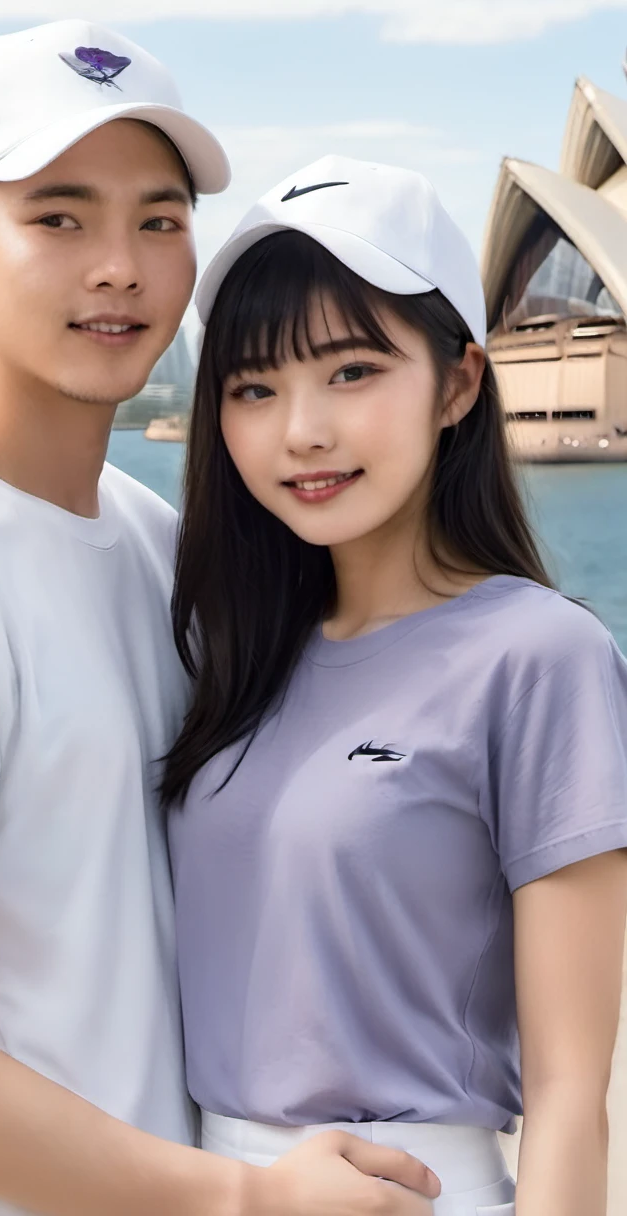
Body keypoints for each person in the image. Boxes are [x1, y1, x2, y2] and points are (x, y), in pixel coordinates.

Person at [0, 23, 440, 1216]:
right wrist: (247, 1199)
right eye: (59, 217)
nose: (121, 267)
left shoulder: (150, 536)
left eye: (158, 219)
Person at [164, 154, 627, 1215]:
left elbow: (567, 1093)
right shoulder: (229, 648)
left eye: (351, 371)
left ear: (458, 382)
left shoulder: (538, 656)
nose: (301, 430)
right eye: (253, 387)